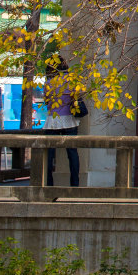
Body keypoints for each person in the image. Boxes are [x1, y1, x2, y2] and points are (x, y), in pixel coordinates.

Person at [44, 55, 81, 186]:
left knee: (48, 155)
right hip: (69, 119)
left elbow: (47, 102)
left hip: (52, 120)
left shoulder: (49, 83)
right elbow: (76, 98)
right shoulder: (71, 81)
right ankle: (75, 184)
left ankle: (48, 184)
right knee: (72, 153)